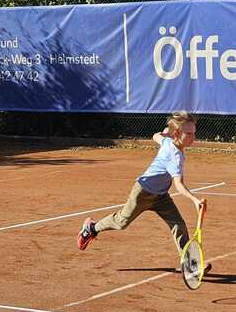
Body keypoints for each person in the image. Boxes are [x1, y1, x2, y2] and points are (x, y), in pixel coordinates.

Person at [77, 110, 211, 274]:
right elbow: (179, 185)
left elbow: (156, 136)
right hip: (142, 193)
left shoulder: (169, 142)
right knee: (121, 222)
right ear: (177, 133)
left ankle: (189, 263)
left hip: (161, 196)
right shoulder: (174, 156)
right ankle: (91, 228)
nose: (192, 138)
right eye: (188, 134)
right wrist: (194, 200)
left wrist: (164, 133)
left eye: (194, 133)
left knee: (178, 225)